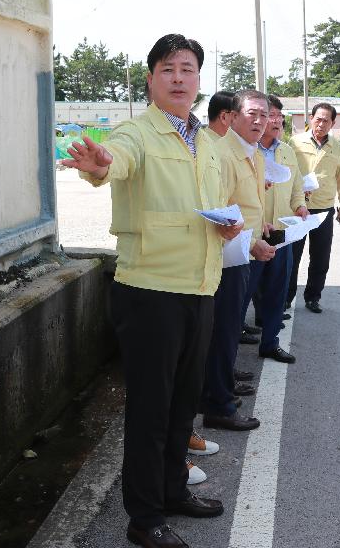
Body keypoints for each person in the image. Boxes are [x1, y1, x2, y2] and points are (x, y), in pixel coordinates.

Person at [62, 34, 238, 548]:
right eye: (168, 69)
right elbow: (115, 159)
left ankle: (173, 490)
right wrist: (99, 163)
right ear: (151, 80)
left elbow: (210, 202)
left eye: (187, 69)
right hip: (151, 291)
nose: (179, 78)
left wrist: (226, 226)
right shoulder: (137, 132)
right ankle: (144, 517)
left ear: (199, 79)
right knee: (150, 410)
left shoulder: (204, 140)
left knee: (184, 404)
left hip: (201, 286)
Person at [200, 89, 273, 433]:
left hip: (245, 252)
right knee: (223, 333)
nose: (260, 121)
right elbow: (220, 212)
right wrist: (252, 242)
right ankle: (219, 406)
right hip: (227, 257)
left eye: (265, 115)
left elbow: (250, 204)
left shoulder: (253, 154)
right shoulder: (221, 154)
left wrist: (259, 235)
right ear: (233, 116)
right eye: (252, 114)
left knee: (228, 331)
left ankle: (220, 390)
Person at [250, 94, 309, 363]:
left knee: (277, 292)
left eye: (278, 116)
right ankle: (231, 343)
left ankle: (270, 342)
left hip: (281, 232)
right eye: (270, 115)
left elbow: (296, 186)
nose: (276, 121)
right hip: (251, 232)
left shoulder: (286, 150)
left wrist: (299, 206)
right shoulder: (246, 150)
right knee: (244, 293)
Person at [289, 102, 340, 313]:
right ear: (310, 119)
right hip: (297, 209)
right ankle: (286, 298)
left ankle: (313, 297)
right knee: (292, 257)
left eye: (326, 120)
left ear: (333, 123)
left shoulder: (336, 147)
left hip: (324, 209)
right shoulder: (295, 142)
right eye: (318, 119)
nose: (321, 124)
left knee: (320, 258)